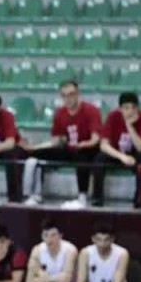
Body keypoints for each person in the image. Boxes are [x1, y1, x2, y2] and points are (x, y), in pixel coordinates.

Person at [23, 80, 103, 208]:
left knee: (82, 154)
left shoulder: (91, 110)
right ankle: (35, 195)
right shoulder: (60, 113)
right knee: (36, 155)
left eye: (71, 94)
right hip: (69, 148)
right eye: (64, 95)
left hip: (88, 148)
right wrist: (35, 147)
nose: (68, 99)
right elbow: (56, 140)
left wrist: (83, 144)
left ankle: (82, 197)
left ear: (78, 94)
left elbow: (95, 139)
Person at [97, 92, 141, 209]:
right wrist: (122, 157)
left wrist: (129, 126)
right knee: (99, 158)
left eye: (133, 108)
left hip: (134, 154)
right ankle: (97, 198)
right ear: (120, 109)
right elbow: (104, 145)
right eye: (126, 108)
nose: (130, 111)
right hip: (117, 153)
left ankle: (139, 200)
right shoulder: (112, 116)